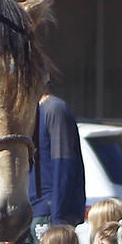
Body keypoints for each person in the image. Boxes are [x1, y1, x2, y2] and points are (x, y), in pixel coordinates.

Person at [32, 93, 84, 232]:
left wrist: (57, 219)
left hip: (48, 214)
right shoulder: (28, 113)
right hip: (29, 213)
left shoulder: (54, 109)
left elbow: (63, 165)